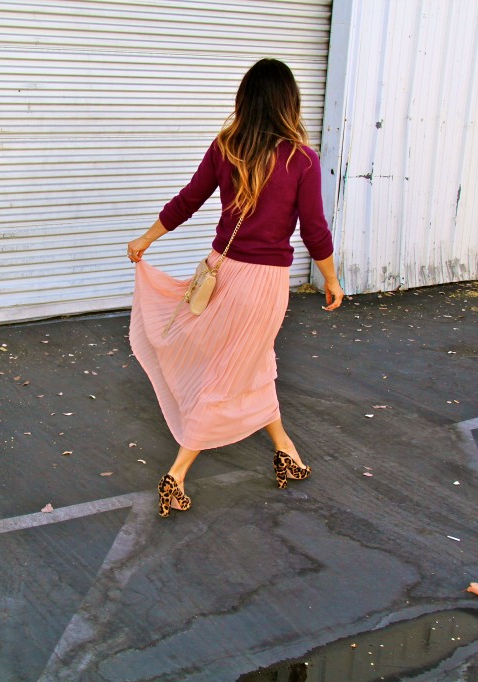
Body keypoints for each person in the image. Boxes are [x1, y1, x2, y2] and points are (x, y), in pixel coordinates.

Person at [126, 58, 344, 518]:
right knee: (229, 373)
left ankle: (286, 452)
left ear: (245, 99)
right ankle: (178, 474)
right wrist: (330, 278)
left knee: (253, 364)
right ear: (289, 102)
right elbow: (315, 231)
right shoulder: (301, 159)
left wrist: (147, 237)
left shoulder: (227, 147)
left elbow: (188, 199)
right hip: (263, 285)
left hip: (220, 270)